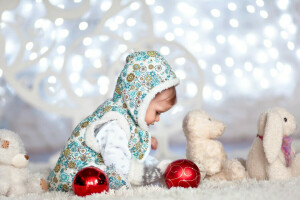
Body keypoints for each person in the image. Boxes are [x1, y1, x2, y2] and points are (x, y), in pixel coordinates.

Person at [47, 50, 180, 191]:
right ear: (140, 101)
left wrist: (146, 140)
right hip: (80, 174)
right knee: (124, 172)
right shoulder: (115, 124)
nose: (158, 119)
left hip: (102, 163)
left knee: (136, 163)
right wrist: (130, 180)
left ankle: (155, 170)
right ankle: (151, 173)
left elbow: (128, 139)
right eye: (157, 112)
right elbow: (114, 159)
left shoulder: (125, 114)